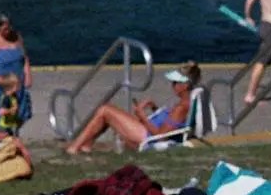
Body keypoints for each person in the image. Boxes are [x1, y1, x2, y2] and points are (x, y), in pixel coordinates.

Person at [65, 64, 202, 153]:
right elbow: (170, 126)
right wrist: (155, 109)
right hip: (147, 132)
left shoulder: (181, 107)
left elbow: (160, 136)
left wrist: (142, 116)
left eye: (175, 82)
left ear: (185, 85)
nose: (172, 85)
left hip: (147, 138)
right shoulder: (185, 104)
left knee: (105, 110)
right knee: (107, 112)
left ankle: (74, 148)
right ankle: (85, 146)